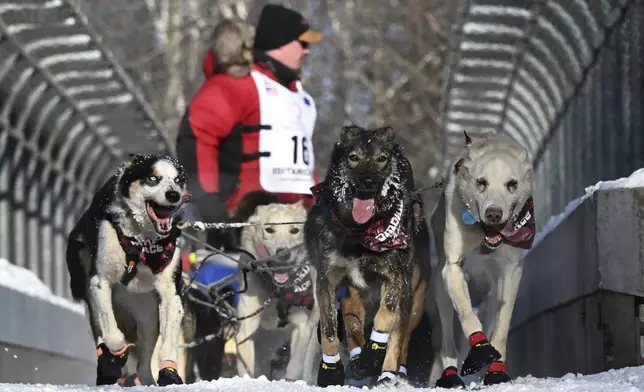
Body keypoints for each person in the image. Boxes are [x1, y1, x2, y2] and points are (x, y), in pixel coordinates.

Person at [176, 4, 324, 249]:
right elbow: (198, 137)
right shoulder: (239, 84)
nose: (308, 51)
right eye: (302, 43)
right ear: (280, 43)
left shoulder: (302, 97)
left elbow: (304, 166)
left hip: (298, 228)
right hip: (247, 225)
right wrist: (210, 205)